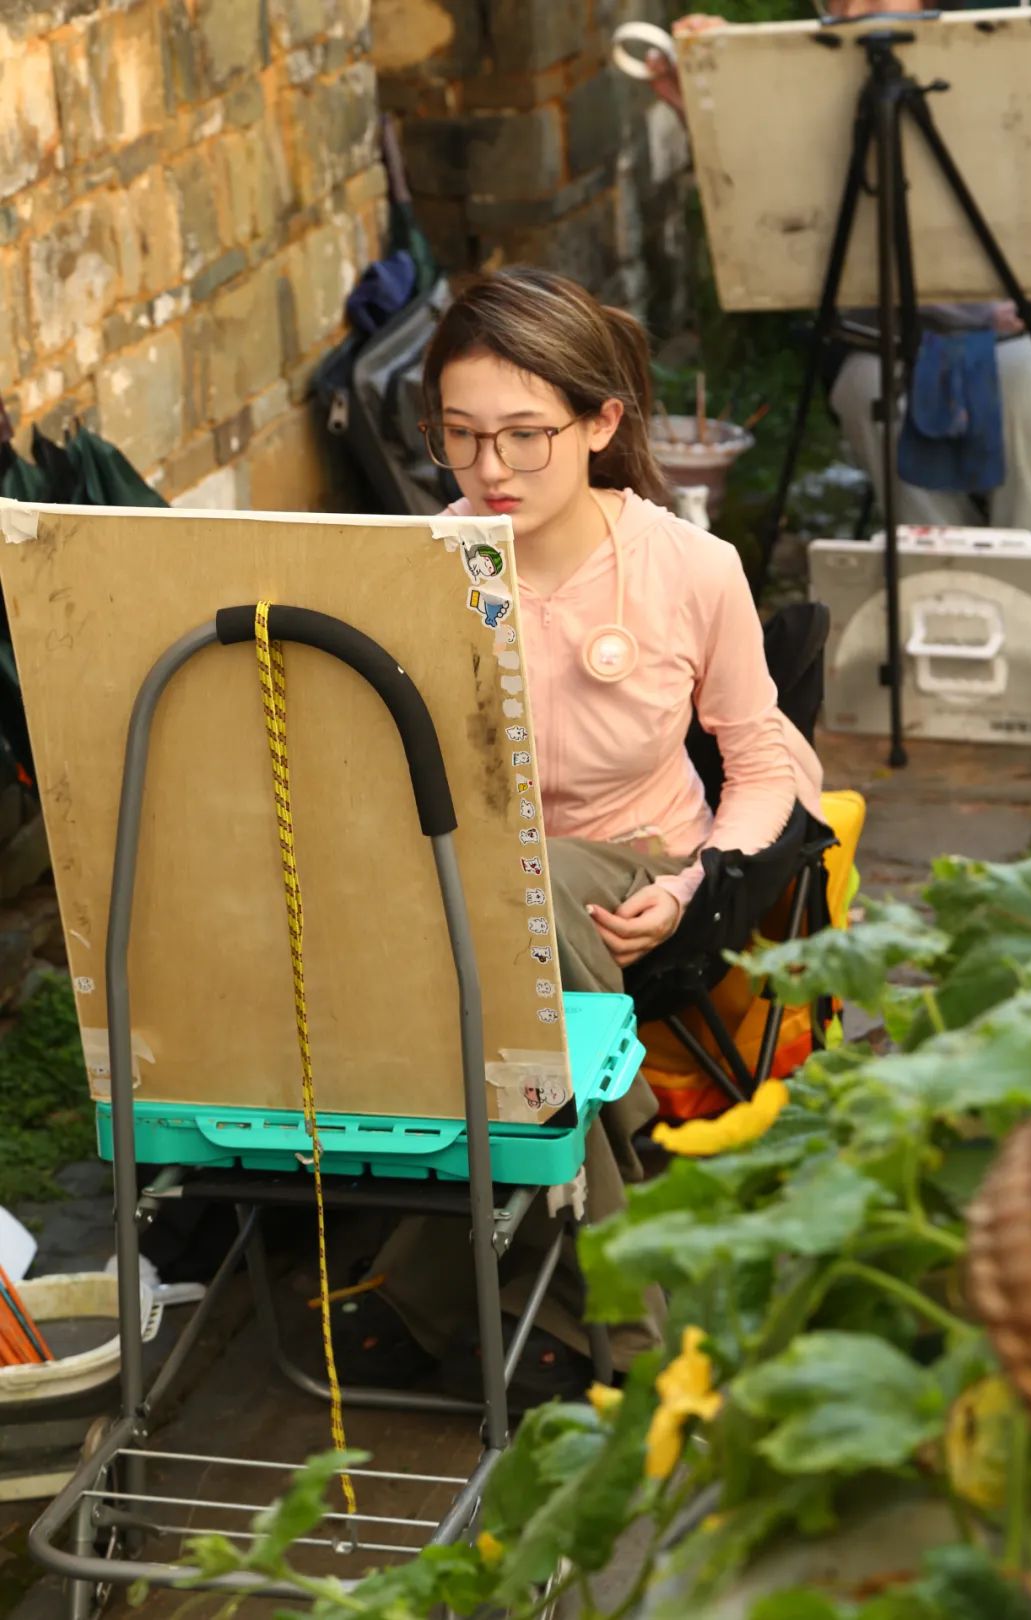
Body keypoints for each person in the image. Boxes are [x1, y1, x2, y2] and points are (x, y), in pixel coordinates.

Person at [345, 267, 825, 1398]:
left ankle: (438, 1289)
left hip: (641, 868)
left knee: (533, 882)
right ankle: (621, 1147)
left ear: (602, 423)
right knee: (500, 888)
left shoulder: (689, 568)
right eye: (460, 437)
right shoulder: (422, 570)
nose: (490, 470)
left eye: (525, 435)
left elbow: (764, 762)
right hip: (478, 887)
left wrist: (702, 880)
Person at [649, 8, 1031, 549]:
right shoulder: (817, 67)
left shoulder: (1010, 47)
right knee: (867, 389)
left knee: (1029, 378)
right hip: (885, 331)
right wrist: (710, 94)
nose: (852, 11)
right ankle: (937, 562)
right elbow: (770, 198)